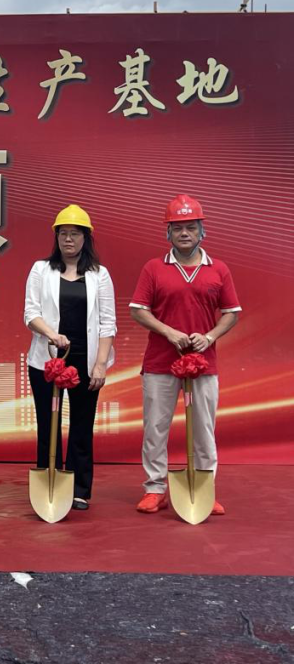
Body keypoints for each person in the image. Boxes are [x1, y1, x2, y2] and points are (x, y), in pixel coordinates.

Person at [130, 194, 240, 516]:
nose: (184, 233)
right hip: (159, 363)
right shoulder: (153, 268)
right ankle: (154, 489)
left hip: (204, 365)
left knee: (204, 428)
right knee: (155, 427)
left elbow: (231, 313)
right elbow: (138, 310)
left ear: (202, 230)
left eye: (191, 227)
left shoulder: (218, 269)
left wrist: (209, 337)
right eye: (177, 228)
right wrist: (169, 332)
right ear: (168, 232)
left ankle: (204, 489)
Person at [23, 204, 116, 510]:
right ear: (56, 237)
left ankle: (79, 488)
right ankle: (49, 481)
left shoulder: (99, 274)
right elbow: (30, 313)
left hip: (86, 360)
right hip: (48, 359)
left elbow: (107, 323)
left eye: (75, 234)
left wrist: (100, 364)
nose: (68, 239)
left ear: (86, 237)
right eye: (63, 233)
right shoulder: (41, 269)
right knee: (47, 423)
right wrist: (51, 334)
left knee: (81, 425)